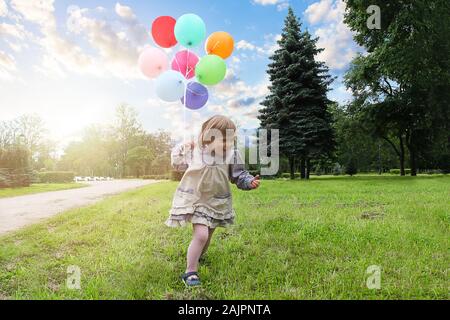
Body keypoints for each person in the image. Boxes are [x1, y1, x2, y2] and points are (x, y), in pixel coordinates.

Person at [166, 115, 260, 287]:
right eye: (223, 139)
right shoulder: (196, 152)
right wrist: (182, 148)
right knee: (201, 235)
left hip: (217, 202)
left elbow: (239, 175)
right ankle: (190, 271)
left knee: (207, 236)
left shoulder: (232, 154)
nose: (228, 144)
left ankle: (197, 255)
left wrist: (249, 182)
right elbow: (177, 165)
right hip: (197, 200)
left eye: (231, 140)